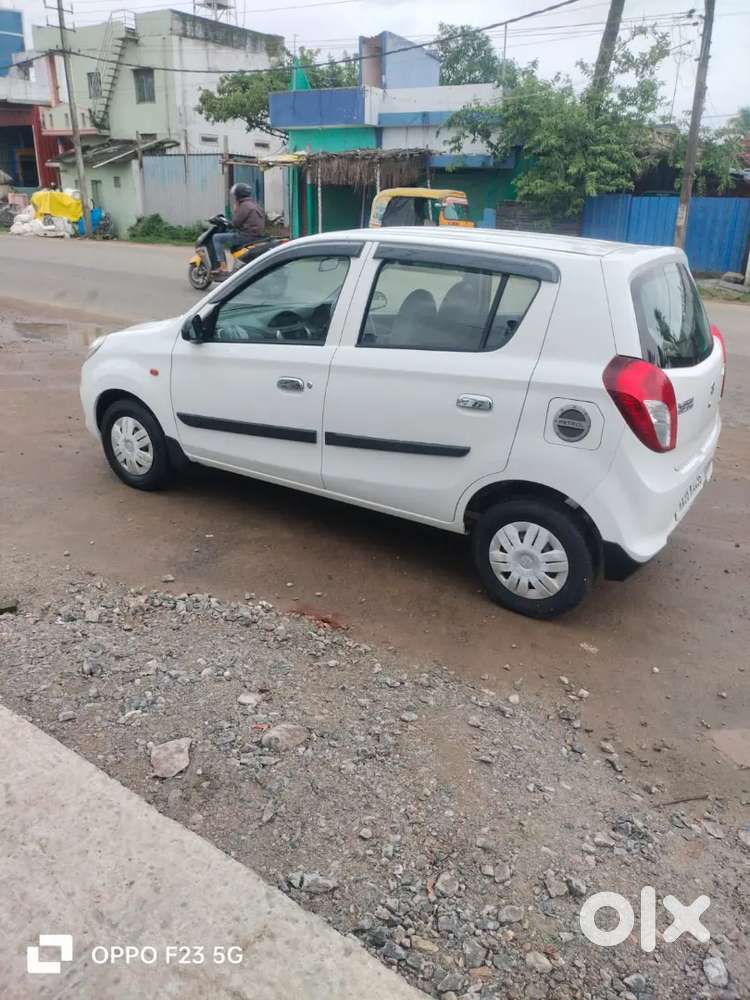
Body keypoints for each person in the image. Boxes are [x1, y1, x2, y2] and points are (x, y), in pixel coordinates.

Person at [211, 183, 265, 272]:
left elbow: (235, 223)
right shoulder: (254, 204)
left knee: (217, 238)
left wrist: (235, 210)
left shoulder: (244, 206)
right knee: (230, 236)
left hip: (246, 237)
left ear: (238, 195)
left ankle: (223, 266)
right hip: (256, 236)